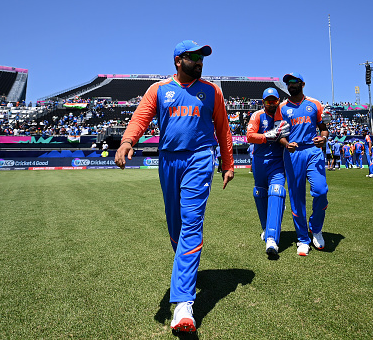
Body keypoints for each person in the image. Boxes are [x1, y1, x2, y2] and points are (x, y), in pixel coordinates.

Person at [114, 40, 234, 332]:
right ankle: (186, 268)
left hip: (200, 158)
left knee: (192, 223)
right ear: (179, 60)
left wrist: (228, 164)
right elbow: (140, 118)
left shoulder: (212, 91)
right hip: (169, 161)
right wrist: (128, 141)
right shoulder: (158, 90)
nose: (200, 62)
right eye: (194, 57)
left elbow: (223, 128)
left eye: (203, 57)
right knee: (176, 228)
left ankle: (183, 307)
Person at [275, 73, 330, 256]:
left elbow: (323, 129)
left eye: (294, 82)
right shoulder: (282, 107)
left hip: (313, 151)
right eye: (288, 83)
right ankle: (302, 239)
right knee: (296, 197)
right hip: (293, 153)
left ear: (302, 84)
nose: (290, 85)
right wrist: (285, 143)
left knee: (321, 190)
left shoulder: (314, 104)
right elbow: (280, 134)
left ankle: (316, 228)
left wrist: (323, 139)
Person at [246, 88, 290, 255]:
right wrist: (268, 136)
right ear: (263, 101)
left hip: (277, 162)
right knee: (259, 193)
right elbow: (249, 136)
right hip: (259, 162)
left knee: (276, 191)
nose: (271, 104)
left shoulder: (284, 115)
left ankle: (272, 239)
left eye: (274, 101)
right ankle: (266, 227)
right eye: (268, 101)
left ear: (279, 100)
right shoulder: (257, 115)